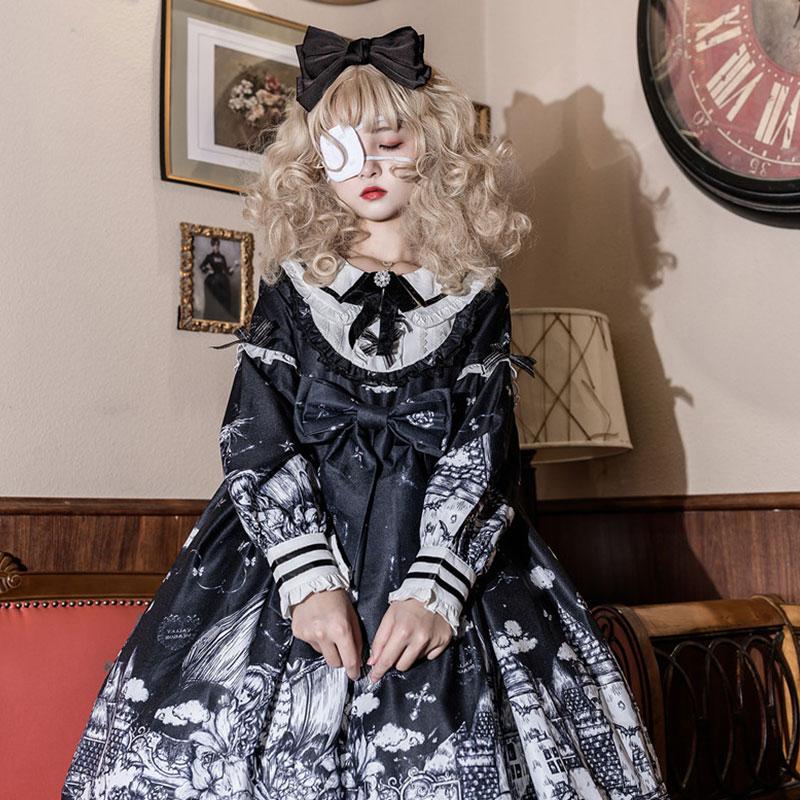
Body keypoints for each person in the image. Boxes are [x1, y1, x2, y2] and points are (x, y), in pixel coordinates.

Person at [61, 24, 670, 800]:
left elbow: (483, 447)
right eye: (344, 148)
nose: (369, 167)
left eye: (389, 141)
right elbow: (255, 436)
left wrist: (436, 588)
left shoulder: (478, 296)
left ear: (433, 145)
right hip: (287, 560)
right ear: (316, 160)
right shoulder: (289, 290)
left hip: (440, 556)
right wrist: (308, 580)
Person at [199, 236, 237, 322]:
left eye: (217, 245)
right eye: (214, 245)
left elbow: (226, 270)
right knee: (213, 299)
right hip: (212, 281)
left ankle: (222, 318)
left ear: (219, 246)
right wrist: (208, 270)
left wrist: (232, 269)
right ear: (212, 246)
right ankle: (212, 317)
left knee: (224, 298)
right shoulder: (209, 257)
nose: (216, 247)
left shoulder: (222, 257)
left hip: (222, 280)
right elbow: (202, 266)